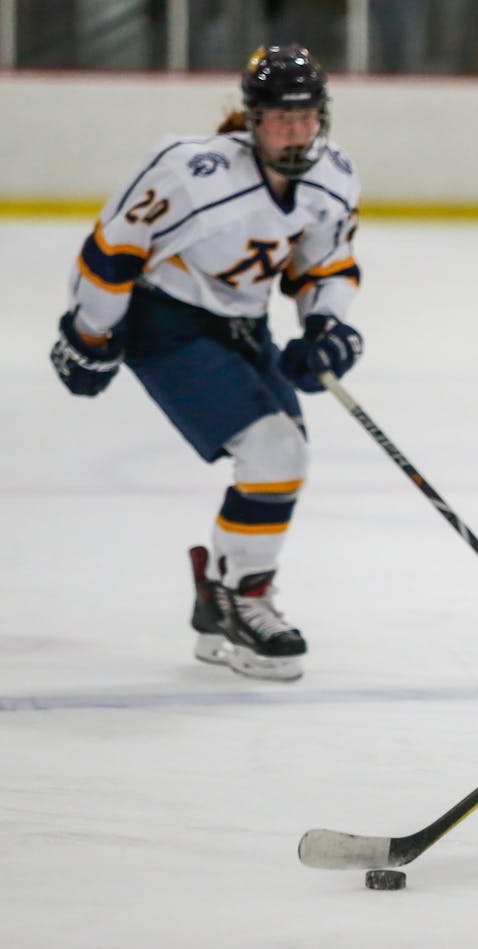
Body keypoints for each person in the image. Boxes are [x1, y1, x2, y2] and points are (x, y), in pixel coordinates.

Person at [48, 45, 363, 682]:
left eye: (307, 118)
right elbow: (114, 251)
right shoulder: (192, 170)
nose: (296, 133)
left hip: (244, 325)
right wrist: (89, 333)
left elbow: (324, 266)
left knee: (287, 455)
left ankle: (222, 594)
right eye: (280, 118)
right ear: (251, 119)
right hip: (166, 322)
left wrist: (327, 327)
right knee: (274, 449)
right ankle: (243, 600)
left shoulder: (334, 178)